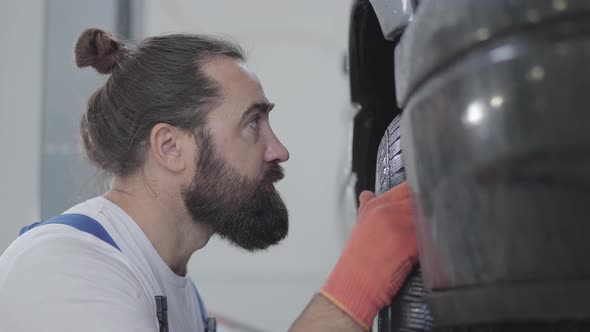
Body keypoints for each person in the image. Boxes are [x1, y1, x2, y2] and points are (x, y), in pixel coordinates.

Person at [0, 28, 417, 332]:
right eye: (253, 123)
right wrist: (359, 282)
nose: (279, 150)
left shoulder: (177, 292)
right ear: (171, 148)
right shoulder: (65, 271)